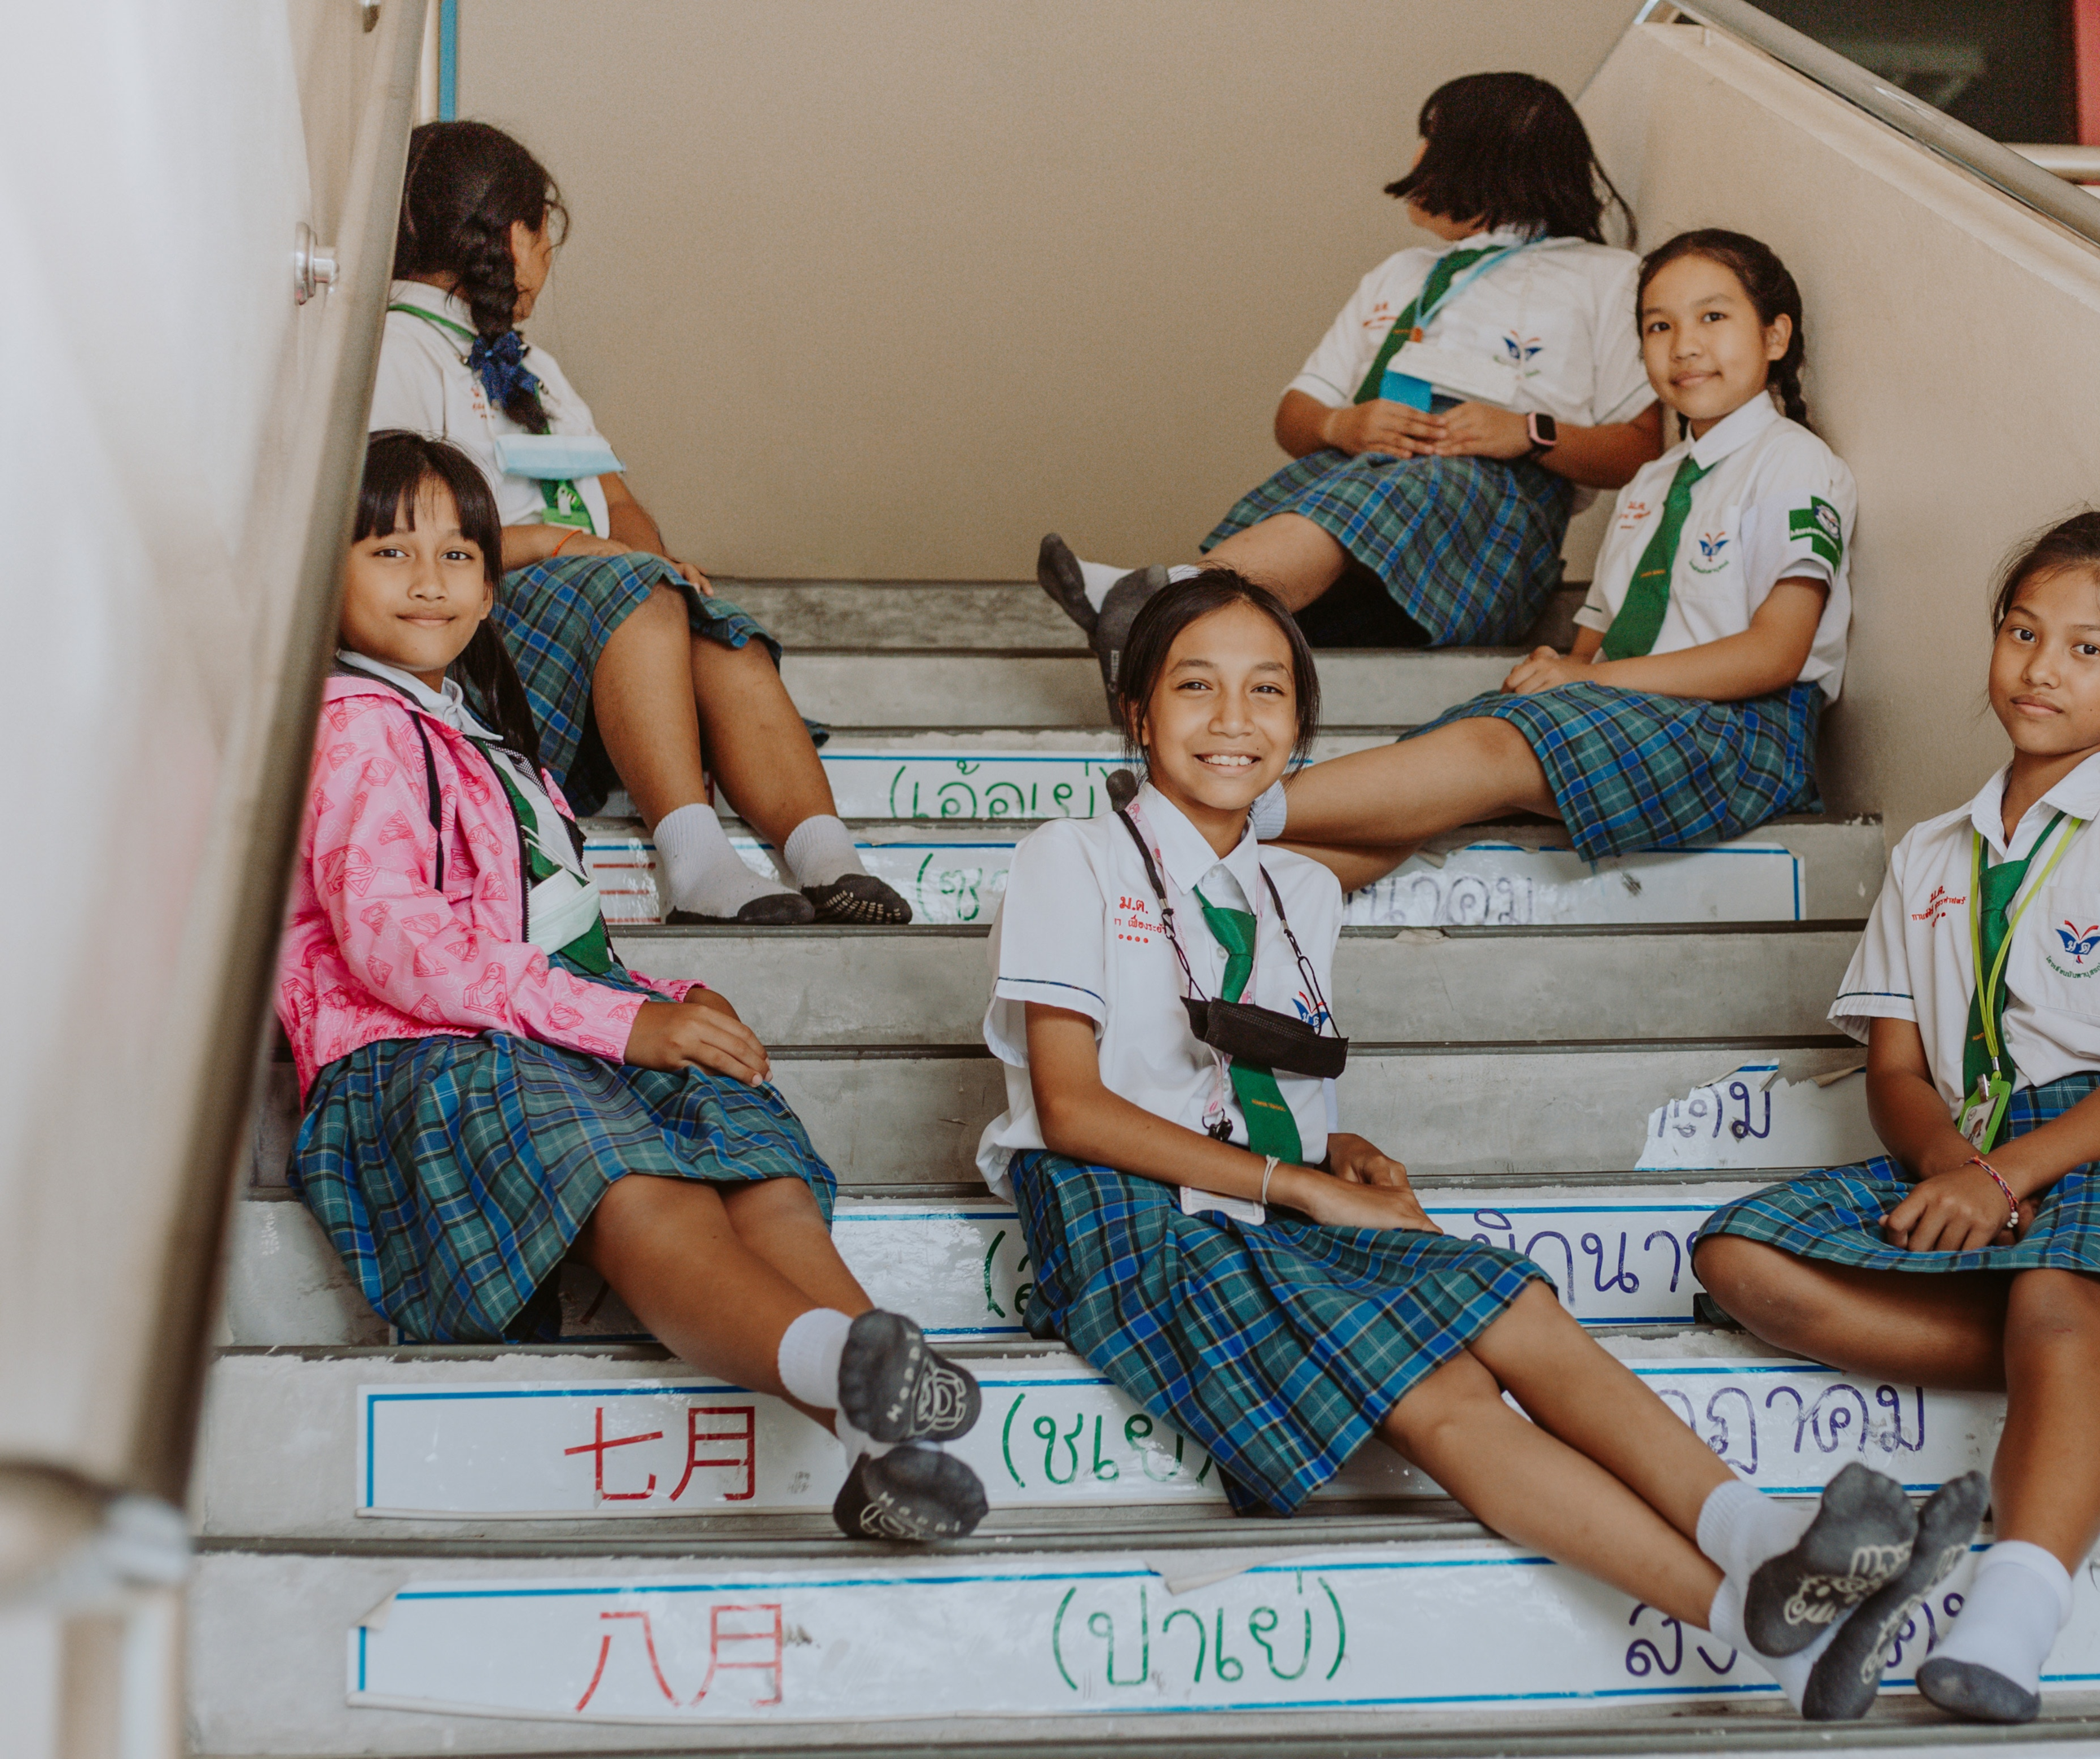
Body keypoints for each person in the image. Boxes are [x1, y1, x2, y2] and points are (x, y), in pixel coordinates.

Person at [973, 566, 1975, 1691]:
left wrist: (1335, 1150)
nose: (1232, 721)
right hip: (1124, 1209)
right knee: (1438, 1400)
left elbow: (1276, 1073)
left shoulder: (1297, 891)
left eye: (1266, 692)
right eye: (1196, 687)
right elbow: (1071, 1107)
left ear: (1300, 724)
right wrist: (1301, 1187)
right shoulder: (1074, 856)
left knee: (1516, 1307)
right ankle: (1755, 1616)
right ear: (1138, 715)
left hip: (1259, 1196)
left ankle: (1766, 1567)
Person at [280, 432, 985, 1542]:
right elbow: (396, 948)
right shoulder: (352, 726)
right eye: (388, 550)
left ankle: (881, 1430)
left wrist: (668, 1000)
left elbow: (543, 935)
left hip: (529, 1027)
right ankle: (839, 1369)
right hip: (415, 1057)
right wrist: (621, 1021)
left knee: (742, 1138)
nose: (430, 580)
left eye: (459, 555)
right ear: (323, 570)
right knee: (639, 1186)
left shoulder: (475, 733)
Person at [1690, 512, 2100, 1723]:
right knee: (1738, 1257)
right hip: (1970, 1145)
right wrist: (1958, 1167)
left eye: (2086, 649)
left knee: (2058, 1303)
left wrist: (2011, 1183)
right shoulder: (1930, 854)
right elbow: (1896, 1070)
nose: (2041, 668)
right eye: (2021, 633)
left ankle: (2017, 1611)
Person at [371, 120, 908, 927]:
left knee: (720, 634)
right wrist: (565, 548)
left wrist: (654, 567)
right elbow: (394, 542)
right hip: (483, 627)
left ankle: (827, 857)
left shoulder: (532, 369)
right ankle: (694, 864)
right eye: (544, 233)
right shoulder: (397, 349)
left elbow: (615, 500)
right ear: (515, 233)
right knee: (635, 593)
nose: (547, 257)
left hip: (600, 605)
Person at [1272, 230, 1852, 889]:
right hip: (1639, 714)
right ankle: (1212, 889)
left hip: (1738, 735)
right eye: (1659, 326)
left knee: (1495, 746)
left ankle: (1219, 811)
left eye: (1712, 317)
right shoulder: (1650, 485)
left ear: (1775, 338)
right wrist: (1564, 668)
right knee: (1438, 779)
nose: (1684, 345)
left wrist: (1593, 681)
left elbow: (1774, 654)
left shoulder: (1792, 461)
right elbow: (1591, 647)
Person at [1038, 72, 1663, 679]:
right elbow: (1296, 416)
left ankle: (1160, 610)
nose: (1416, 156)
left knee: (1412, 489)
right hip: (1358, 505)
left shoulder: (1605, 278)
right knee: (1320, 487)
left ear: (1484, 157)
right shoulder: (1400, 273)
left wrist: (1529, 431)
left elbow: (1644, 445)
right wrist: (1346, 424)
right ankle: (1176, 616)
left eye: (1431, 138)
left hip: (1486, 526)